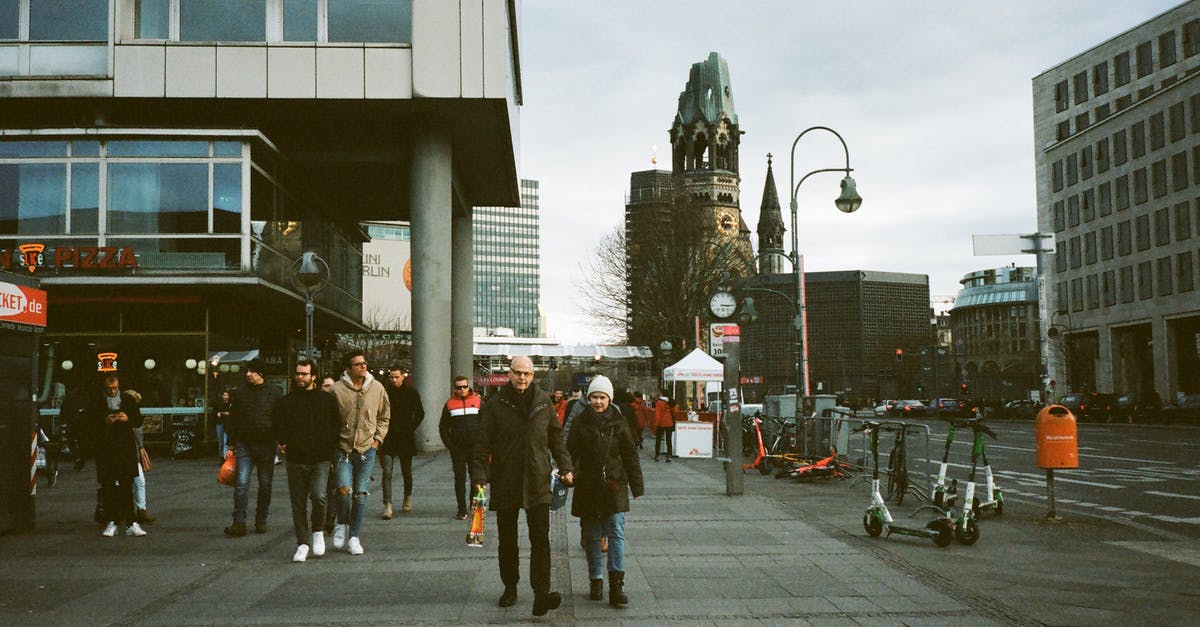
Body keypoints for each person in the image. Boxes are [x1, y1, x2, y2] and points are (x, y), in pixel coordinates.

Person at [470, 356, 573, 617]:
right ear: (509, 373)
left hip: (538, 480)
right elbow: (481, 444)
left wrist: (566, 465)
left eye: (527, 374)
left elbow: (555, 437)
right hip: (507, 479)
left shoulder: (543, 402)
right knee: (507, 539)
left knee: (540, 539)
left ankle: (541, 594)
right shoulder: (495, 404)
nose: (523, 378)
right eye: (518, 373)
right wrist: (480, 476)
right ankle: (510, 587)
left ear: (533, 375)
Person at [566, 375, 644, 607]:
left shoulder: (619, 423)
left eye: (602, 397)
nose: (598, 402)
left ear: (609, 398)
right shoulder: (580, 422)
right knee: (591, 536)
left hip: (614, 484)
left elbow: (630, 455)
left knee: (616, 533)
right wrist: (566, 471)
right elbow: (569, 451)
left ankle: (617, 585)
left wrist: (637, 485)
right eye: (594, 397)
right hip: (588, 485)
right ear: (588, 398)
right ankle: (596, 580)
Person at [275, 359, 341, 563]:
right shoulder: (287, 401)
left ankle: (318, 531)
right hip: (296, 458)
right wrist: (283, 441)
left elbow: (335, 425)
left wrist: (330, 451)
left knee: (319, 496)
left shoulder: (326, 400)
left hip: (320, 458)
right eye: (298, 373)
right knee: (298, 502)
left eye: (304, 374)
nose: (300, 377)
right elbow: (278, 424)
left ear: (314, 376)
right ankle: (302, 543)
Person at [330, 350, 390, 555]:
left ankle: (354, 536)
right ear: (348, 368)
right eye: (357, 364)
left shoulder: (376, 388)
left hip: (367, 449)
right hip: (343, 448)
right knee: (344, 491)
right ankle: (341, 522)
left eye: (364, 363)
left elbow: (384, 416)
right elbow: (328, 419)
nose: (363, 367)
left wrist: (377, 441)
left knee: (361, 494)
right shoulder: (336, 390)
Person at [224, 358, 283, 537]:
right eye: (247, 371)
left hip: (266, 444)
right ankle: (239, 522)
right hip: (245, 444)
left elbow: (280, 419)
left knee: (265, 484)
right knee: (241, 483)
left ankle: (261, 519)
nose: (248, 374)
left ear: (261, 374)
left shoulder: (275, 393)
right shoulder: (240, 394)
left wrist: (281, 441)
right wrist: (232, 443)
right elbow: (233, 419)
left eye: (252, 371)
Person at [90, 372, 146, 537]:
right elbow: (90, 422)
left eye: (115, 388)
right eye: (110, 389)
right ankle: (112, 521)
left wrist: (127, 418)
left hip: (124, 449)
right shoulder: (98, 401)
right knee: (109, 486)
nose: (113, 391)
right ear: (104, 387)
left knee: (126, 485)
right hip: (108, 449)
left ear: (119, 385)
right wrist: (105, 421)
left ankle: (130, 521)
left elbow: (138, 420)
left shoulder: (128, 400)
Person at [379, 367, 424, 519]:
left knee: (407, 471)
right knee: (387, 471)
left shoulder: (411, 393)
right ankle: (387, 504)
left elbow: (420, 412)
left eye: (396, 377)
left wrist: (410, 427)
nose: (394, 380)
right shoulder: (384, 393)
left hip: (405, 436)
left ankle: (407, 496)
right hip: (387, 437)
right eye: (391, 377)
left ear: (402, 377)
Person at [438, 375, 481, 519]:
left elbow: (486, 424)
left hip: (475, 447)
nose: (462, 390)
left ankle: (473, 507)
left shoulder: (478, 401)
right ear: (454, 388)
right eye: (458, 387)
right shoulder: (449, 404)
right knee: (460, 478)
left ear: (468, 386)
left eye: (464, 386)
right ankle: (462, 509)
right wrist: (450, 445)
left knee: (476, 478)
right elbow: (443, 427)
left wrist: (483, 444)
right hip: (458, 448)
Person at [653, 390, 676, 462]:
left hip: (661, 423)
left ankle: (657, 455)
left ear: (662, 394)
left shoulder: (659, 402)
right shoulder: (671, 402)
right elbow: (674, 412)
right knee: (669, 440)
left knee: (658, 439)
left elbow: (657, 414)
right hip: (669, 422)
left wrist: (656, 424)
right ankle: (669, 455)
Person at [213, 390, 232, 458]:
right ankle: (221, 456)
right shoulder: (219, 404)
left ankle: (225, 457)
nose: (225, 396)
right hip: (219, 423)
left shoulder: (231, 404)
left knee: (225, 442)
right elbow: (215, 413)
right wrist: (223, 413)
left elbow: (229, 413)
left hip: (227, 424)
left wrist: (221, 413)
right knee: (220, 442)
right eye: (224, 395)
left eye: (227, 395)